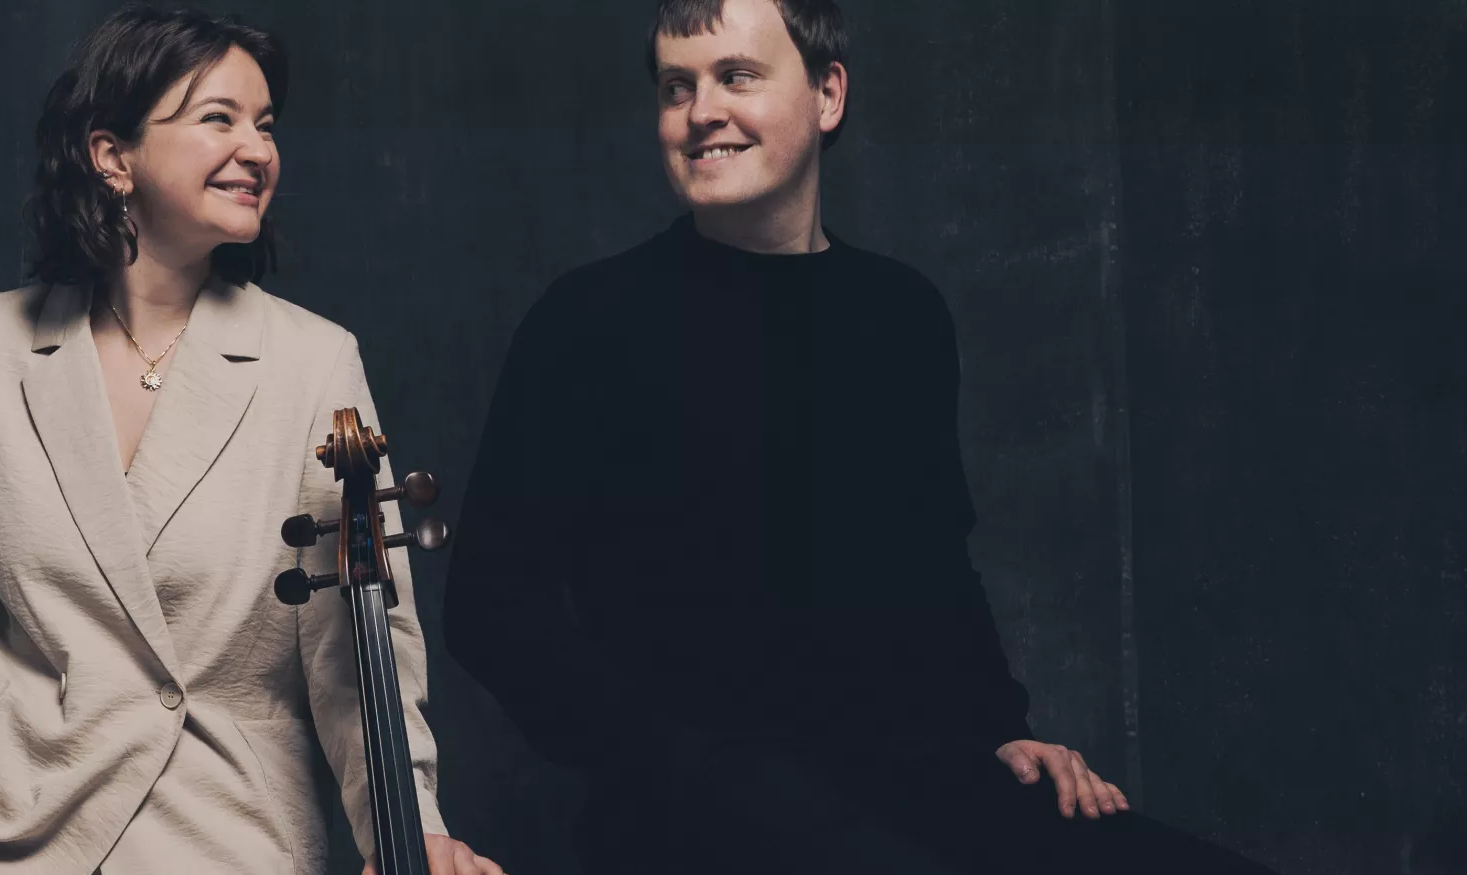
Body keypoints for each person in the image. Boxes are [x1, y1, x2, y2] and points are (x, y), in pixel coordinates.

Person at [442, 0, 1278, 872]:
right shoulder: (588, 321)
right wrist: (681, 765)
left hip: (916, 783)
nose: (700, 112)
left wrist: (1001, 728)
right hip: (691, 814)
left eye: (737, 76)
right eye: (675, 87)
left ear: (828, 94)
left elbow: (933, 562)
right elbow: (493, 607)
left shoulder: (901, 314)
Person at [0, 6, 501, 874]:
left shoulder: (314, 361)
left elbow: (360, 649)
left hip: (228, 838)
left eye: (266, 125)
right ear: (111, 155)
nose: (258, 149)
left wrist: (410, 825)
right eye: (218, 119)